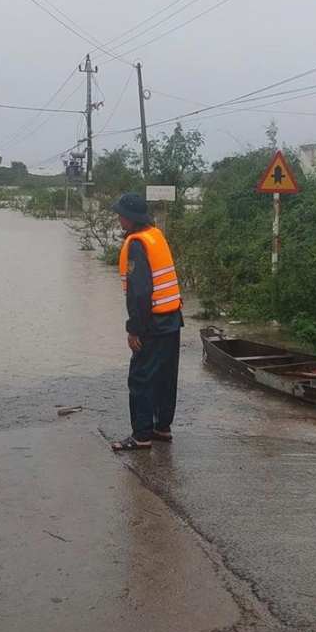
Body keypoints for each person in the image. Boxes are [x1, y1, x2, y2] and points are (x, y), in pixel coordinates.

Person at [110, 193, 184, 452]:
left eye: (120, 214)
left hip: (152, 322)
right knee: (165, 377)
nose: (118, 217)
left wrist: (134, 329)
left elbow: (139, 291)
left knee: (141, 378)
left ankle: (141, 435)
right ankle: (162, 427)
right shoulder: (156, 235)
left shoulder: (136, 243)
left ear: (129, 219)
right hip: (172, 318)